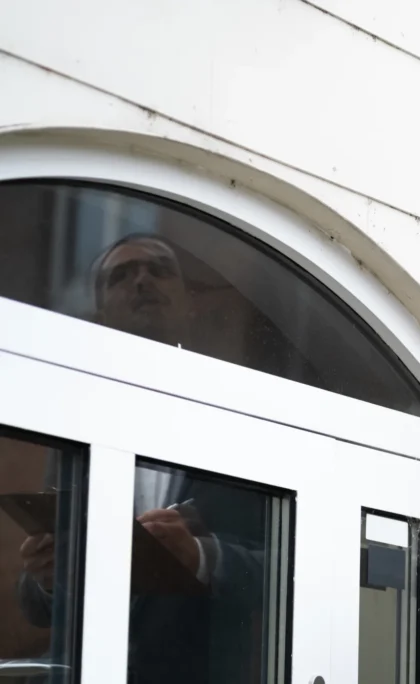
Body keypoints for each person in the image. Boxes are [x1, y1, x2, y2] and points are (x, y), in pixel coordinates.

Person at [18, 234, 268, 684]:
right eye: (121, 275)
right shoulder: (76, 426)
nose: (142, 280)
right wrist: (47, 578)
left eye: (159, 269)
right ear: (100, 314)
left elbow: (290, 569)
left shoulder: (236, 421)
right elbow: (38, 609)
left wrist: (201, 557)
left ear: (188, 304)